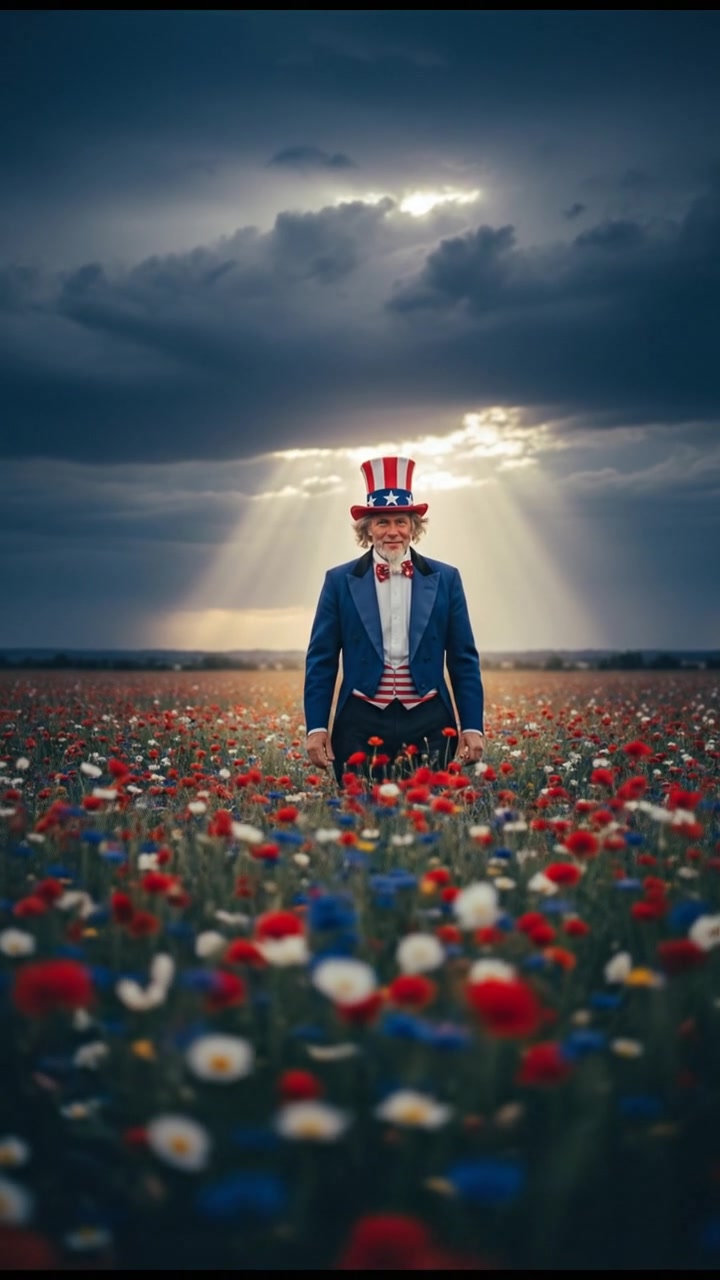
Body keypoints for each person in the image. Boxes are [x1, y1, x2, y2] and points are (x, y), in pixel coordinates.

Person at [304, 455, 484, 783]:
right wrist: (316, 727)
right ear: (367, 529)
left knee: (429, 819)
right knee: (361, 822)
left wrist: (472, 725)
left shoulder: (446, 578)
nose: (392, 532)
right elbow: (322, 660)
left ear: (414, 527)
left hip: (430, 718)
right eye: (382, 522)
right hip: (359, 720)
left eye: (401, 521)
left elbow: (463, 659)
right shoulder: (339, 581)